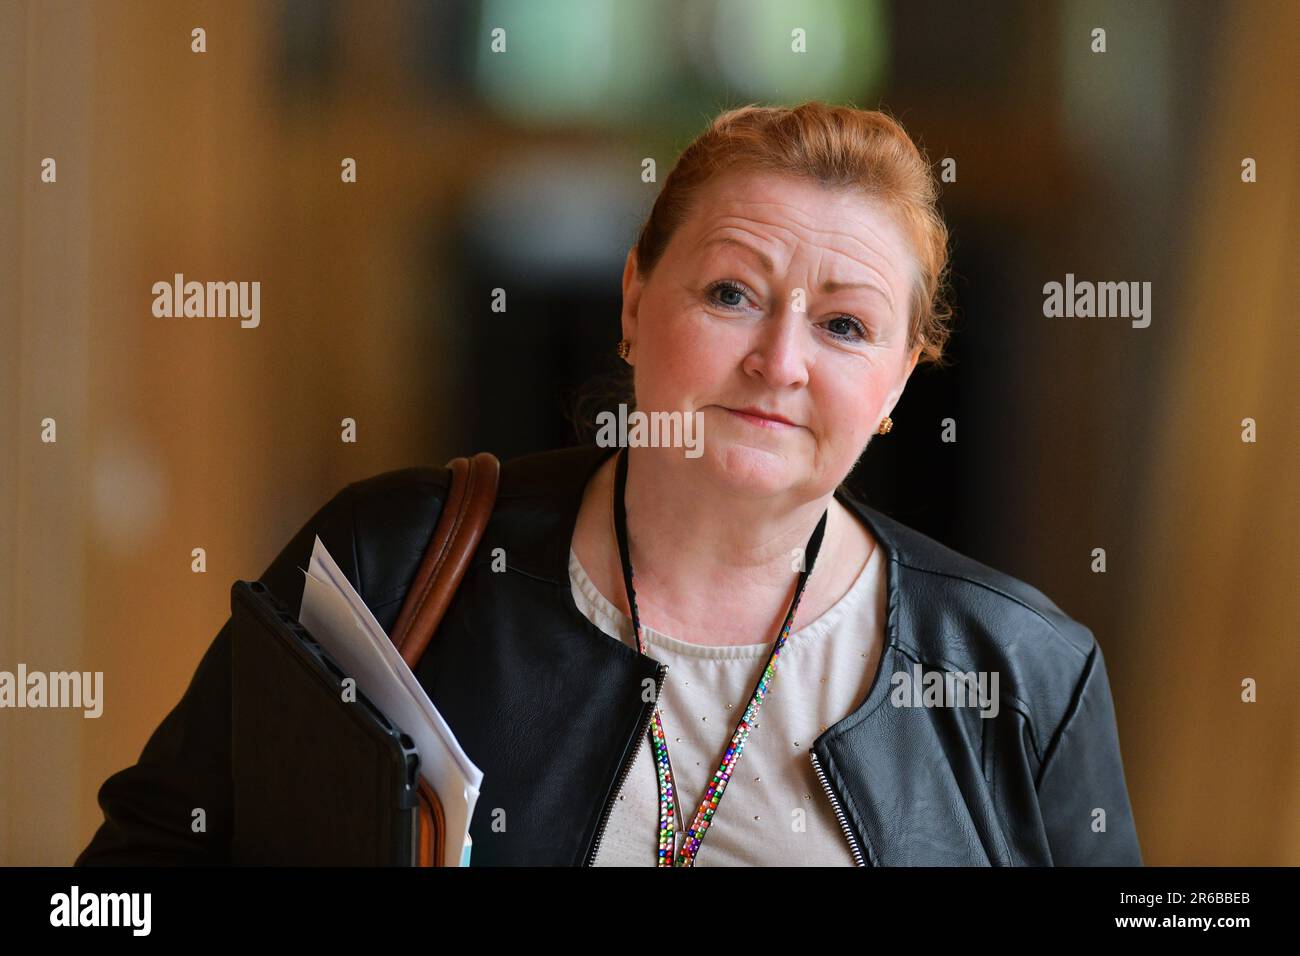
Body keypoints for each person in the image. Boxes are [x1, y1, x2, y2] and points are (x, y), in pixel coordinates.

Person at [76, 101, 1142, 867]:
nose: (779, 360)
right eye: (731, 292)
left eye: (845, 325)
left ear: (901, 376)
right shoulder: (385, 560)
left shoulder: (1025, 674)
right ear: (635, 301)